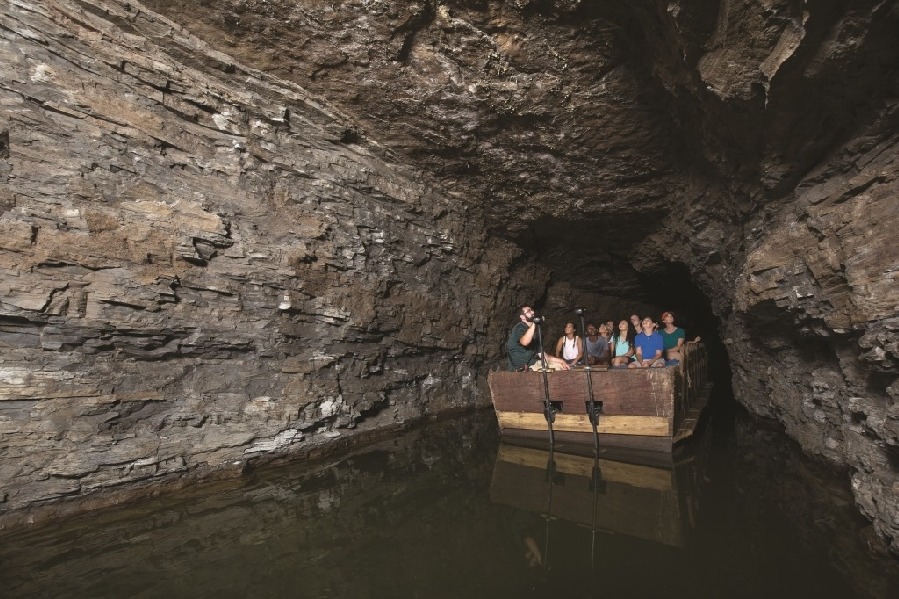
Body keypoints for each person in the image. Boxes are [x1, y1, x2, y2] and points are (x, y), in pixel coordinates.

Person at [506, 305, 571, 371]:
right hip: (522, 368)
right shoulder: (519, 327)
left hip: (533, 364)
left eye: (532, 310)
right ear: (522, 317)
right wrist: (535, 323)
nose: (532, 312)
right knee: (557, 369)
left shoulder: (534, 334)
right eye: (529, 311)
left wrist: (561, 361)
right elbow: (524, 342)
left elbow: (544, 356)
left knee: (562, 366)